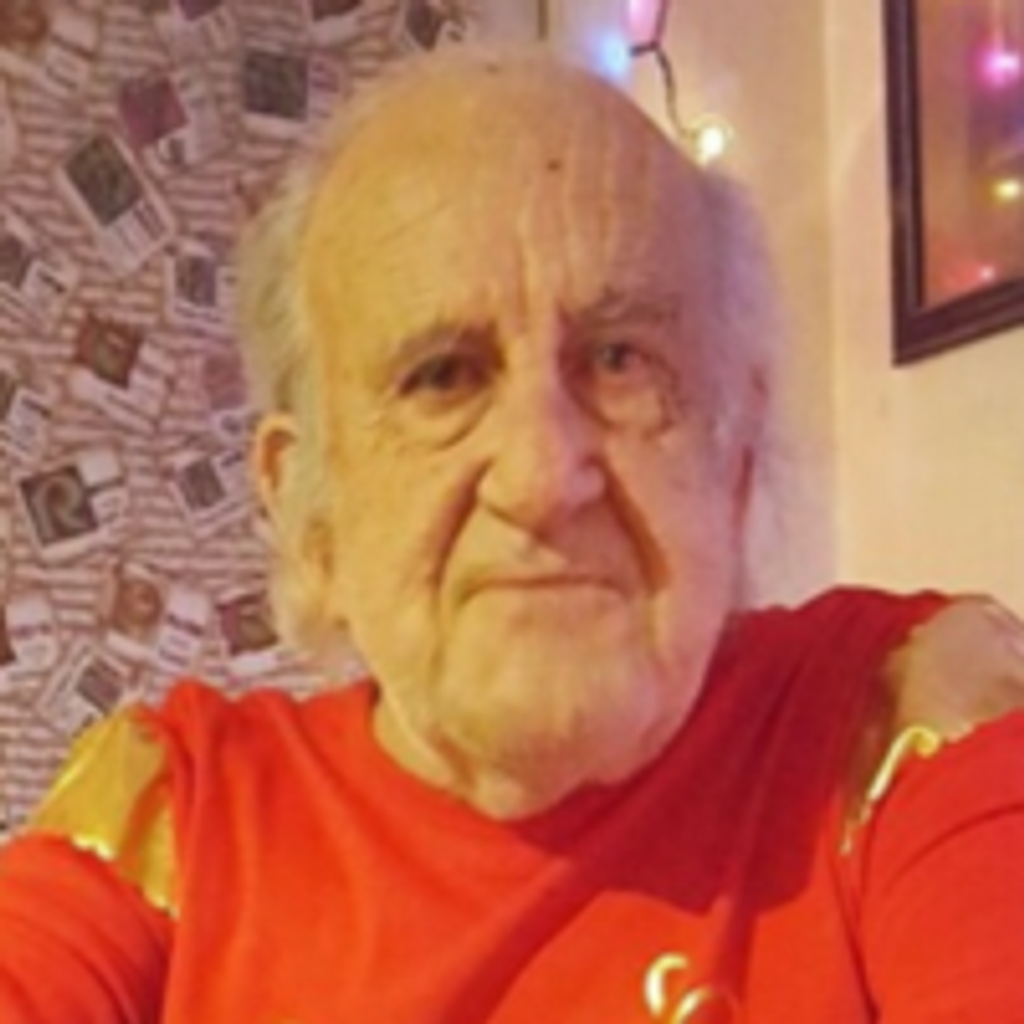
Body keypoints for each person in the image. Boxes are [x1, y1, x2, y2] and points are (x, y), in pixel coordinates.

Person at [2, 47, 1023, 1023]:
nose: (540, 476)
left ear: (735, 460)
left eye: (620, 360)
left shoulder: (907, 717)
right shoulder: (165, 817)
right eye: (442, 376)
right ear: (310, 515)